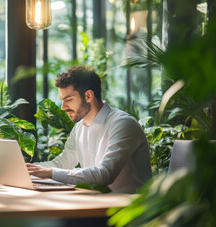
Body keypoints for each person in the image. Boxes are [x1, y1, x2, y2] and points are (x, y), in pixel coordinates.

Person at [26, 65, 152, 193]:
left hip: (129, 208)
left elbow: (104, 174)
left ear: (88, 96)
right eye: (62, 100)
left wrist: (50, 173)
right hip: (97, 204)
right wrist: (27, 169)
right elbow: (62, 164)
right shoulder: (79, 128)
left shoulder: (123, 124)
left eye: (68, 99)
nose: (63, 107)